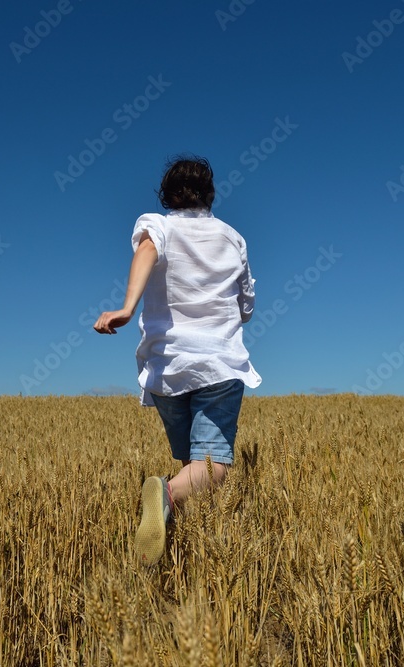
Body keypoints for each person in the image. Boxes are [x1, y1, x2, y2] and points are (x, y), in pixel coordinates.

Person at [93, 155, 261, 565]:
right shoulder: (232, 237)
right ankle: (164, 493)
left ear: (167, 195)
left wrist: (127, 307)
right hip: (217, 365)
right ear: (210, 195)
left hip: (166, 367)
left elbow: (147, 249)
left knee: (192, 462)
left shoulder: (158, 224)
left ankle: (180, 551)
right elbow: (247, 302)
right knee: (213, 467)